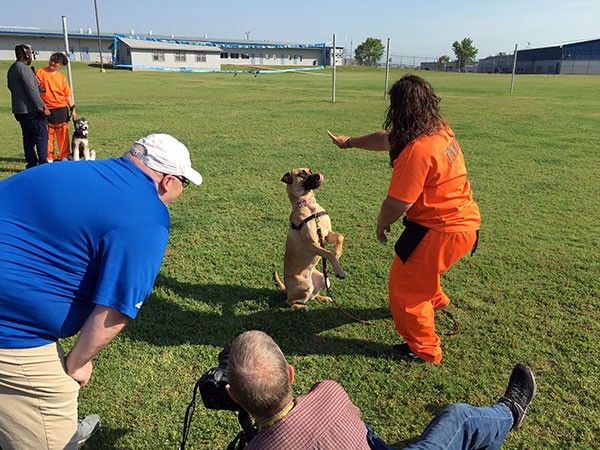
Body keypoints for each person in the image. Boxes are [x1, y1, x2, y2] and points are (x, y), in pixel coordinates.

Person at [0, 134, 202, 450]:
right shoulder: (148, 216)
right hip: (12, 330)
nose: (179, 193)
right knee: (53, 427)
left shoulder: (71, 169)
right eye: (183, 186)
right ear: (167, 181)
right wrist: (78, 362)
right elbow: (117, 307)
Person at [328, 74, 481, 364]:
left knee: (405, 292)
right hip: (465, 223)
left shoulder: (417, 150)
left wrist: (381, 224)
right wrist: (348, 142)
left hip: (439, 230)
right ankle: (435, 301)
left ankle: (425, 350)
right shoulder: (438, 130)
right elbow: (386, 139)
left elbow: (398, 202)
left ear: (399, 108)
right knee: (421, 275)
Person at [226, 330, 537, 450]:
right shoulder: (329, 393)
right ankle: (510, 411)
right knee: (459, 418)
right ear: (290, 374)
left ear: (233, 397)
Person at [7, 44, 50, 169]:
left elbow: (11, 87)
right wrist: (43, 108)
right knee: (41, 136)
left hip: (19, 110)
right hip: (31, 110)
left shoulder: (12, 68)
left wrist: (39, 88)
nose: (32, 56)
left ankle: (31, 164)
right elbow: (31, 91)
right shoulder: (24, 69)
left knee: (28, 138)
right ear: (26, 55)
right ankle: (43, 164)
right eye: (31, 54)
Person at [36, 52, 76, 162]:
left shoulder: (62, 78)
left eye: (56, 62)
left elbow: (67, 94)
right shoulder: (40, 73)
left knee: (63, 134)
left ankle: (64, 155)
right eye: (51, 60)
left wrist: (72, 108)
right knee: (48, 134)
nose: (52, 63)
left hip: (61, 109)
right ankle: (49, 156)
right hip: (46, 109)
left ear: (60, 64)